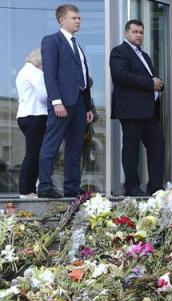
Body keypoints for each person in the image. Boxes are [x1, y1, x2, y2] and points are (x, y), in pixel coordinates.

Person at [38, 4, 93, 198]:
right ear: (62, 20)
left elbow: (84, 77)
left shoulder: (77, 45)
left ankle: (71, 187)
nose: (78, 21)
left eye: (79, 18)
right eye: (74, 18)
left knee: (75, 147)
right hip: (61, 103)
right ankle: (44, 187)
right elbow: (50, 74)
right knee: (51, 145)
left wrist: (87, 106)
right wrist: (56, 101)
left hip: (78, 103)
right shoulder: (52, 41)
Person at [110, 19, 164, 196]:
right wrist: (150, 83)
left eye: (141, 32)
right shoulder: (119, 52)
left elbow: (151, 78)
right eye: (135, 32)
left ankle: (155, 188)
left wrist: (158, 84)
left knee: (157, 148)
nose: (139, 35)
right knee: (131, 150)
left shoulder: (145, 55)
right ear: (126, 33)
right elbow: (121, 76)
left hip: (149, 112)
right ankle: (132, 187)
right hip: (131, 110)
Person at [16, 49, 48, 199]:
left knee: (33, 153)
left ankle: (28, 188)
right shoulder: (36, 73)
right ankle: (27, 190)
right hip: (36, 114)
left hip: (24, 115)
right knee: (34, 154)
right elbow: (44, 96)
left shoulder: (23, 71)